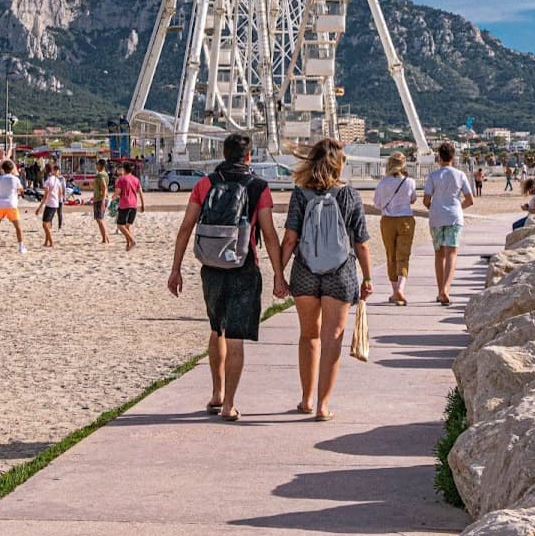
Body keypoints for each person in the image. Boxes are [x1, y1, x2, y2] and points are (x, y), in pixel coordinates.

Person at [167, 134, 286, 422]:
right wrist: (279, 275)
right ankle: (229, 404)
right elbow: (269, 235)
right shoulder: (259, 187)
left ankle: (216, 392)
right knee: (235, 337)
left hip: (211, 267)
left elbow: (185, 228)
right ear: (248, 157)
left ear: (223, 153)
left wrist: (176, 268)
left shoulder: (204, 184)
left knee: (216, 329)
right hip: (244, 267)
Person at [281, 138, 372, 422]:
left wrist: (278, 273)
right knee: (332, 338)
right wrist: (367, 277)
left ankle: (306, 399)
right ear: (339, 163)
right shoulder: (350, 196)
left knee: (308, 335)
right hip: (341, 273)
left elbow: (290, 238)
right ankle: (323, 405)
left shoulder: (299, 195)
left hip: (305, 272)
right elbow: (361, 243)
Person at [424, 142, 472, 305]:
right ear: (453, 158)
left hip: (436, 216)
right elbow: (470, 199)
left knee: (439, 254)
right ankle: (446, 289)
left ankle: (440, 291)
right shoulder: (460, 175)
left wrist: (434, 207)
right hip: (454, 216)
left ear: (439, 158)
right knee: (451, 253)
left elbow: (426, 199)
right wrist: (459, 207)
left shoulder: (433, 176)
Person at [372, 150, 417, 305]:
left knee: (390, 255)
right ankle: (401, 289)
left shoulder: (383, 183)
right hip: (405, 220)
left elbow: (377, 204)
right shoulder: (409, 182)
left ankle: (394, 290)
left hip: (388, 221)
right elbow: (413, 200)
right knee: (403, 256)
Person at [0, 160, 27, 254]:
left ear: (3, 169)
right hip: (11, 204)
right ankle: (21, 247)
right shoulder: (15, 179)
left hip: (0, 204)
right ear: (12, 169)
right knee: (18, 227)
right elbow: (21, 190)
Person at [114, 161, 145, 250]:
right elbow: (141, 193)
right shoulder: (136, 179)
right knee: (127, 226)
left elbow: (118, 192)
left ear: (124, 169)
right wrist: (143, 205)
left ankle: (132, 241)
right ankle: (128, 245)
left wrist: (113, 197)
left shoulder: (121, 180)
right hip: (134, 205)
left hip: (124, 205)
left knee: (120, 225)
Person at [35, 163, 62, 247]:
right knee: (48, 223)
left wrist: (39, 207)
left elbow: (46, 195)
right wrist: (56, 199)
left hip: (50, 204)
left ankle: (51, 241)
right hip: (55, 203)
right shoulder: (57, 180)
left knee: (44, 224)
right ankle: (46, 242)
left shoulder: (48, 181)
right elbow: (60, 192)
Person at [92, 157, 110, 244]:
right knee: (100, 219)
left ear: (100, 165)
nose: (96, 166)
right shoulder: (105, 174)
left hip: (100, 199)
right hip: (101, 198)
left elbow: (104, 187)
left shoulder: (100, 175)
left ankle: (104, 239)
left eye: (97, 164)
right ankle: (106, 238)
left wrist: (103, 200)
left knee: (99, 219)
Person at [52, 162, 67, 230]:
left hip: (59, 198)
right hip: (53, 198)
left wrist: (64, 197)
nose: (55, 172)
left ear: (59, 171)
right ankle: (50, 226)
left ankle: (59, 227)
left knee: (59, 213)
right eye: (54, 170)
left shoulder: (62, 179)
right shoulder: (52, 178)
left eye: (56, 170)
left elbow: (64, 188)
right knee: (51, 213)